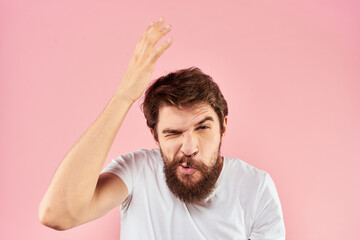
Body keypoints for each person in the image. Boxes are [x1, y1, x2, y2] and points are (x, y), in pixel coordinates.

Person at [39, 17, 285, 240]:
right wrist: (124, 96)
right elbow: (57, 214)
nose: (189, 148)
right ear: (155, 137)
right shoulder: (137, 172)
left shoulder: (256, 188)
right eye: (173, 133)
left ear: (223, 127)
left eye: (202, 128)